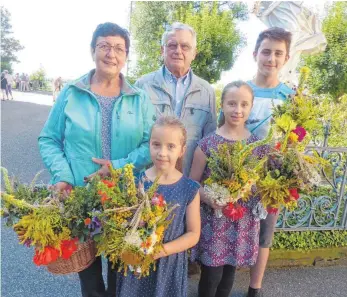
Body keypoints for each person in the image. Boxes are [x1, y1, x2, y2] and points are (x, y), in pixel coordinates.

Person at [38, 22, 156, 297]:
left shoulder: (139, 99)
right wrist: (63, 175)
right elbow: (48, 139)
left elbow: (150, 145)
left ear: (126, 56)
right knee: (90, 283)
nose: (111, 54)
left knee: (120, 279)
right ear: (93, 51)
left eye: (118, 48)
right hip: (80, 200)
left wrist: (117, 166)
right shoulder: (71, 93)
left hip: (124, 202)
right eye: (104, 46)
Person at [190, 81, 268, 297]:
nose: (238, 110)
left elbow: (262, 184)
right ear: (222, 105)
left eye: (244, 104)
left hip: (242, 223)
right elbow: (192, 183)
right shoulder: (207, 144)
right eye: (232, 103)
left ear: (251, 107)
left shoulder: (256, 147)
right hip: (214, 223)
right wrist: (208, 197)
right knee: (211, 276)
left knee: (228, 277)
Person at [112, 116, 201, 297]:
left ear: (182, 150)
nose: (162, 152)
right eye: (156, 144)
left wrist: (162, 251)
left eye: (170, 146)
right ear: (149, 145)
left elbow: (193, 234)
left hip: (169, 265)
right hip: (136, 263)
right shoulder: (136, 182)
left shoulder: (189, 189)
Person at [246, 27, 295, 297]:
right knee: (235, 224)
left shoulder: (290, 97)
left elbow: (295, 139)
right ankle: (224, 280)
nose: (271, 59)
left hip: (273, 177)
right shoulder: (242, 90)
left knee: (265, 233)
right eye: (266, 52)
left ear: (286, 58)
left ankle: (255, 287)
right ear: (255, 54)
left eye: (278, 53)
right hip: (239, 173)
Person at [135, 22, 217, 177]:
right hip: (148, 183)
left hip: (189, 182)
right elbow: (135, 138)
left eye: (185, 46)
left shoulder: (207, 92)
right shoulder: (143, 86)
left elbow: (209, 143)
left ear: (194, 53)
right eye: (172, 45)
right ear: (162, 50)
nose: (178, 51)